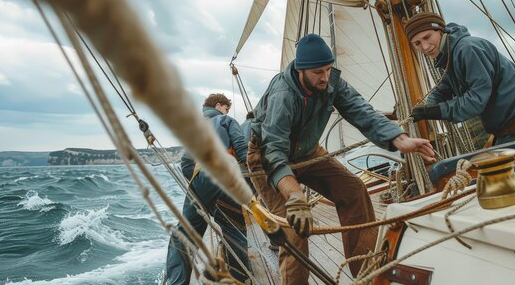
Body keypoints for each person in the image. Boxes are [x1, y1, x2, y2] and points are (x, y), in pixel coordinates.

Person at [246, 34, 435, 285]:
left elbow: (361, 110)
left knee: (354, 190)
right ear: (301, 70)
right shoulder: (283, 94)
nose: (325, 77)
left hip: (309, 152)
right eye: (317, 72)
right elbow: (273, 150)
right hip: (268, 159)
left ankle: (365, 273)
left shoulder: (332, 82)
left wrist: (401, 140)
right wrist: (293, 194)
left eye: (328, 69)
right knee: (294, 229)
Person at [404, 11, 515, 145]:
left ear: (440, 31)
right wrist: (424, 106)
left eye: (427, 37)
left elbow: (476, 100)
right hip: (510, 130)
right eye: (417, 43)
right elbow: (443, 89)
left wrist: (436, 111)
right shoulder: (448, 57)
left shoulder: (468, 49)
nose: (425, 47)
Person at [165, 94, 251, 285]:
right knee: (234, 229)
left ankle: (177, 282)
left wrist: (201, 186)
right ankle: (240, 278)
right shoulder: (226, 120)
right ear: (219, 106)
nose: (227, 112)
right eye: (226, 108)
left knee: (184, 235)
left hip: (202, 180)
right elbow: (241, 147)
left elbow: (186, 163)